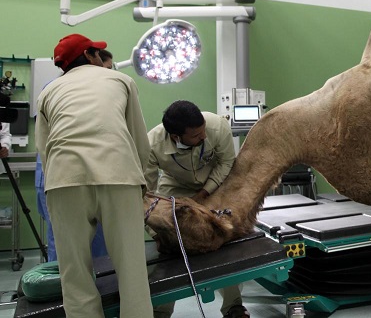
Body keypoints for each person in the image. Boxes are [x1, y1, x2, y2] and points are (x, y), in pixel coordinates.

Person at [35, 34, 153, 317]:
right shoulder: (120, 81)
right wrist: (143, 184)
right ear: (89, 56)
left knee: (75, 273)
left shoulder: (48, 92)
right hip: (118, 174)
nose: (102, 59)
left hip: (64, 180)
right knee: (131, 269)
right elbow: (138, 139)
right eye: (98, 53)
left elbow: (43, 147)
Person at [145, 100, 246, 318]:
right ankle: (160, 311)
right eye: (196, 136)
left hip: (215, 184)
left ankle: (233, 307)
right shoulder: (152, 144)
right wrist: (157, 227)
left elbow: (226, 162)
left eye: (203, 132)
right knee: (172, 246)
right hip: (175, 187)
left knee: (222, 241)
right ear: (175, 137)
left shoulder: (217, 126)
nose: (203, 138)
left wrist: (202, 196)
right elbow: (148, 192)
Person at [35, 49, 115, 261]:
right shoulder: (56, 91)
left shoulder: (106, 91)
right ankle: (63, 290)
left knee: (99, 241)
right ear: (90, 59)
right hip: (63, 175)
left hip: (94, 175)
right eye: (107, 68)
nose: (109, 74)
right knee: (66, 243)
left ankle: (103, 286)